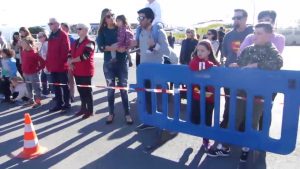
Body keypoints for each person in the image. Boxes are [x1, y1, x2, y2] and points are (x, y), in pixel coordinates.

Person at [213, 23, 283, 162]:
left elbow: (278, 62)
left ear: (269, 35)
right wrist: (236, 66)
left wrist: (257, 65)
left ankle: (246, 148)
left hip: (258, 94)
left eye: (259, 33)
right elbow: (241, 63)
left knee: (252, 121)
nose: (254, 36)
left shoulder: (271, 50)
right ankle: (225, 146)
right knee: (235, 118)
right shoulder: (249, 49)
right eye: (255, 32)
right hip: (241, 91)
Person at [207, 9, 253, 157]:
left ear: (246, 18)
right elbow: (226, 54)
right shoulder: (228, 35)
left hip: (248, 78)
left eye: (238, 17)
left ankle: (243, 138)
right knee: (229, 104)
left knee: (246, 107)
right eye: (234, 17)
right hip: (230, 76)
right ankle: (225, 134)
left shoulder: (253, 33)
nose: (235, 20)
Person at [135, 7, 171, 130]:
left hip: (158, 73)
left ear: (150, 19)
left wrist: (155, 45)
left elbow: (167, 51)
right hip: (145, 72)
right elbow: (144, 49)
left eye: (141, 18)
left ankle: (163, 125)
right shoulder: (141, 32)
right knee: (148, 99)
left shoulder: (159, 32)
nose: (139, 20)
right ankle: (150, 121)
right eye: (138, 18)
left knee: (160, 101)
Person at [97, 9, 133, 125]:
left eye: (113, 15)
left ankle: (127, 114)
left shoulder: (121, 28)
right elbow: (101, 47)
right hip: (109, 64)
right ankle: (111, 113)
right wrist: (114, 47)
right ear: (104, 18)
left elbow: (129, 41)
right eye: (108, 16)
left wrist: (126, 48)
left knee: (123, 90)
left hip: (122, 62)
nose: (111, 17)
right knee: (111, 90)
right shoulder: (102, 31)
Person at [189, 40, 219, 150]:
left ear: (209, 51)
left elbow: (219, 73)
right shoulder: (196, 61)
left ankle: (206, 140)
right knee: (195, 119)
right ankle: (198, 130)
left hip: (210, 99)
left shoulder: (215, 64)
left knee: (207, 121)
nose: (199, 53)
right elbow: (193, 65)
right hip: (197, 97)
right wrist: (209, 65)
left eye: (203, 50)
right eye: (198, 50)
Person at [68, 23, 95, 119]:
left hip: (86, 71)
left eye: (80, 28)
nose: (77, 30)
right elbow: (69, 52)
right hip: (77, 71)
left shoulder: (90, 42)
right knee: (80, 91)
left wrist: (72, 61)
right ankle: (83, 108)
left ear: (86, 30)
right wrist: (70, 62)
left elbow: (85, 56)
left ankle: (90, 110)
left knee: (87, 91)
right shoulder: (75, 42)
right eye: (77, 29)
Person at [46, 18, 71, 113]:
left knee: (64, 85)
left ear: (57, 24)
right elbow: (49, 51)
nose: (50, 25)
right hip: (53, 66)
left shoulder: (63, 34)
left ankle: (67, 104)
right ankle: (59, 104)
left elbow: (66, 50)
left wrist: (61, 63)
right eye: (49, 24)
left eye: (51, 23)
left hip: (61, 66)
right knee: (56, 86)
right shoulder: (51, 35)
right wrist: (48, 63)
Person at [20, 37, 45, 108]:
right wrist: (23, 71)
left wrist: (37, 69)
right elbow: (23, 62)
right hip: (25, 73)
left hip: (33, 74)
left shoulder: (34, 53)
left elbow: (43, 62)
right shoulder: (23, 52)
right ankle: (31, 100)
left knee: (36, 88)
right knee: (28, 88)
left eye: (23, 43)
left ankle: (38, 102)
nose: (21, 44)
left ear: (28, 44)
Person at [61, 22, 76, 102]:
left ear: (67, 28)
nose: (61, 29)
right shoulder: (60, 38)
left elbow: (73, 52)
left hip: (69, 62)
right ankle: (65, 95)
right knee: (63, 80)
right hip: (62, 63)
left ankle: (72, 95)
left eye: (62, 28)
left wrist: (71, 62)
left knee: (70, 80)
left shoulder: (71, 39)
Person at [37, 31, 53, 96]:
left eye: (41, 37)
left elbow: (46, 56)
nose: (39, 38)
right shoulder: (43, 44)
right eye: (38, 37)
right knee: (43, 78)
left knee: (50, 80)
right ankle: (45, 91)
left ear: (45, 36)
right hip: (44, 66)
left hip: (47, 65)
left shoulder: (46, 44)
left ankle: (53, 93)